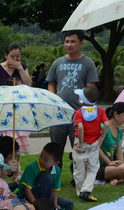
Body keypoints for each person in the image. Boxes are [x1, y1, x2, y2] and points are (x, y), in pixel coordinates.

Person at [46, 30, 98, 166]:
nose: (69, 45)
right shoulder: (57, 63)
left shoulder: (88, 63)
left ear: (81, 43)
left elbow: (90, 89)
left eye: (73, 42)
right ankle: (54, 175)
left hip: (78, 115)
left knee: (79, 150)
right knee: (55, 150)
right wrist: (53, 99)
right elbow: (51, 83)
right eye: (67, 41)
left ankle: (78, 175)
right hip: (59, 114)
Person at [72, 86, 108, 202]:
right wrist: (102, 135)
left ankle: (80, 191)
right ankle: (86, 190)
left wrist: (81, 142)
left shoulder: (79, 113)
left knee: (79, 168)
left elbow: (80, 127)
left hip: (80, 143)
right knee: (93, 168)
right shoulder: (100, 111)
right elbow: (107, 124)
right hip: (93, 143)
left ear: (82, 100)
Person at [19, 142, 74, 210]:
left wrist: (54, 203)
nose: (41, 160)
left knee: (69, 205)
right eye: (41, 156)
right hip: (29, 197)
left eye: (45, 160)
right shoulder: (31, 167)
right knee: (45, 177)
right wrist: (37, 205)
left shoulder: (57, 170)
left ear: (55, 163)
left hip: (45, 197)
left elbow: (55, 189)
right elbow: (27, 190)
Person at [96, 102, 124, 185]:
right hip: (99, 166)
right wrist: (109, 162)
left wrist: (122, 165)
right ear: (116, 114)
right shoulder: (104, 127)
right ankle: (116, 176)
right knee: (123, 169)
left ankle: (117, 180)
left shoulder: (119, 132)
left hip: (111, 165)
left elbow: (119, 152)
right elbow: (96, 147)